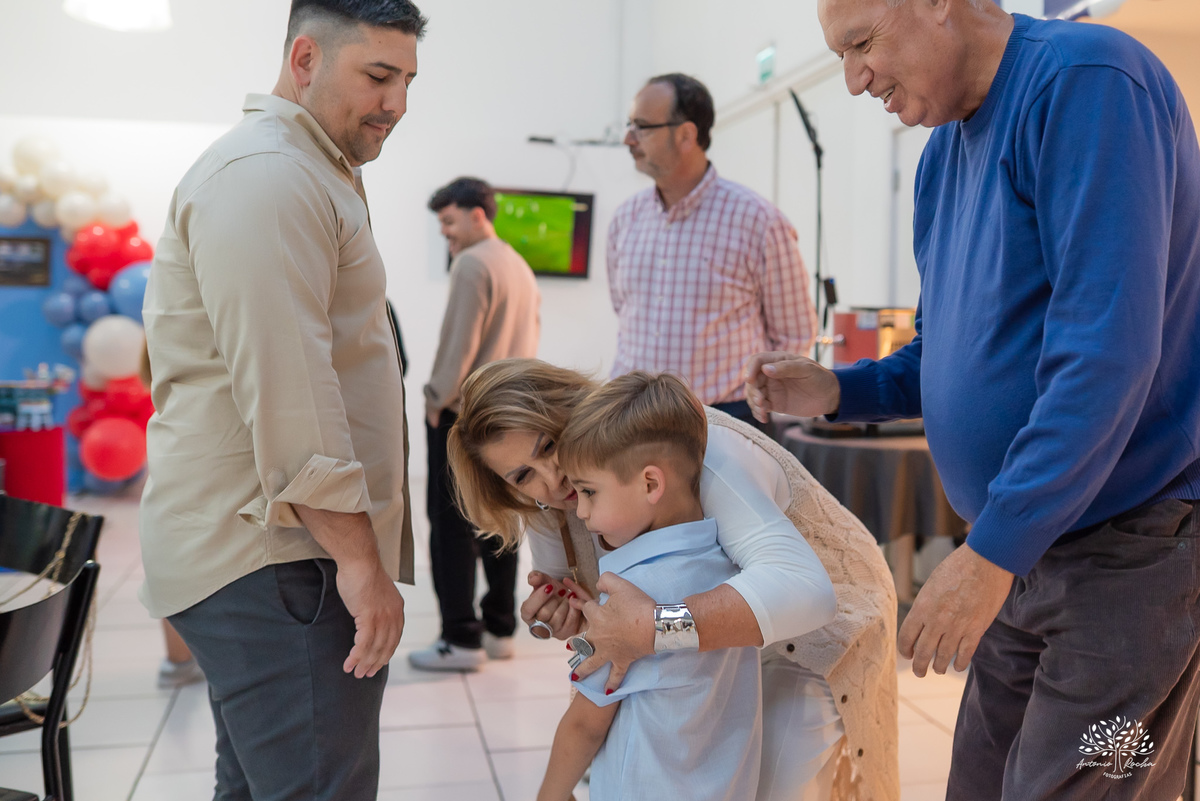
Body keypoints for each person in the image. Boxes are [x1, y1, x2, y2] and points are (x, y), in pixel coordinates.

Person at [746, 1, 1200, 798]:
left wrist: (992, 551)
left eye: (861, 45)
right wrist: (838, 391)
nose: (855, 80)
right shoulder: (941, 156)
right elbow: (949, 350)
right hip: (1028, 546)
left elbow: (1107, 352)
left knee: (1084, 783)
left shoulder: (1086, 83)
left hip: (1130, 548)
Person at [139, 1, 426, 798]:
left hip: (282, 551)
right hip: (279, 557)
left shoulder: (307, 169)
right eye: (376, 75)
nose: (396, 103)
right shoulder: (269, 176)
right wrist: (361, 564)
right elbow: (291, 396)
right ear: (305, 59)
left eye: (406, 80)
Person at [449, 358, 900, 801]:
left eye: (548, 446)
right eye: (523, 475)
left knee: (777, 787)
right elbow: (597, 617)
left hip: (819, 632)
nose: (555, 480)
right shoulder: (554, 502)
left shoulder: (698, 448)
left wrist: (656, 627)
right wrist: (563, 616)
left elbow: (806, 592)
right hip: (722, 647)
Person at [538, 372, 762, 801]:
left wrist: (550, 794)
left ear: (650, 484)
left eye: (588, 492)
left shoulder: (632, 592)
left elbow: (586, 723)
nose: (580, 511)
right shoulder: (732, 569)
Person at [607, 73, 818, 429]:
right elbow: (623, 312)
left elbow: (794, 336)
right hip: (632, 422)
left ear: (687, 135)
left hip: (725, 424)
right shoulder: (625, 219)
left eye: (641, 127)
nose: (628, 139)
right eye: (630, 125)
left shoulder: (758, 221)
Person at [409, 177, 541, 671]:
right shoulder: (518, 265)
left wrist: (433, 400)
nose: (447, 235)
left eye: (449, 222)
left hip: (462, 417)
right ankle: (500, 629)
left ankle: (460, 640)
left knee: (450, 527)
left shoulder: (471, 263)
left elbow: (457, 350)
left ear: (476, 214)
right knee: (498, 517)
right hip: (510, 417)